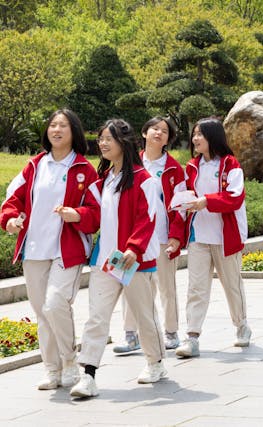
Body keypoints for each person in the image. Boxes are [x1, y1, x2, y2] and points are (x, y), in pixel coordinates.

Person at [0, 109, 99, 390]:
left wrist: (77, 214)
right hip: (34, 248)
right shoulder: (34, 165)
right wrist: (9, 220)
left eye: (63, 126)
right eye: (53, 125)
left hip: (67, 249)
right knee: (42, 312)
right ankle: (52, 369)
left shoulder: (84, 169)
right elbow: (13, 199)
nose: (56, 130)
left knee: (56, 303)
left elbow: (95, 211)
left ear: (74, 132)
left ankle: (70, 362)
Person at [70, 119, 167, 398]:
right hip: (105, 261)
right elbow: (95, 215)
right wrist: (76, 216)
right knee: (97, 318)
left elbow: (146, 218)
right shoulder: (104, 180)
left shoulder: (144, 180)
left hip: (133, 262)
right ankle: (88, 374)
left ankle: (156, 362)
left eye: (107, 139)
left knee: (143, 316)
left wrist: (133, 248)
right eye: (100, 139)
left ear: (122, 142)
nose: (102, 143)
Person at [175, 117, 251, 358]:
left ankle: (241, 325)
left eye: (201, 134)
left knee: (231, 285)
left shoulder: (231, 165)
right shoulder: (191, 167)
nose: (196, 138)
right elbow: (186, 194)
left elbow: (234, 198)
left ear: (213, 137)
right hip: (199, 235)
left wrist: (206, 201)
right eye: (194, 134)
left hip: (224, 236)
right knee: (196, 287)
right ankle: (192, 336)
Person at [112, 117, 186, 354]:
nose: (159, 133)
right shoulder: (131, 164)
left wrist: (176, 236)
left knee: (166, 286)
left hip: (162, 236)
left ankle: (171, 331)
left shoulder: (174, 168)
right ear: (144, 133)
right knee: (129, 284)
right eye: (155, 128)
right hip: (134, 238)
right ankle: (130, 334)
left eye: (164, 131)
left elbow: (180, 206)